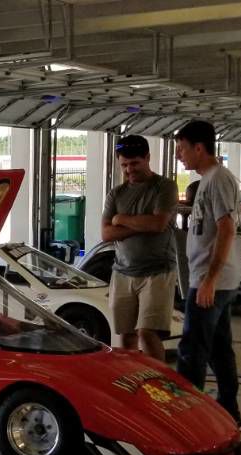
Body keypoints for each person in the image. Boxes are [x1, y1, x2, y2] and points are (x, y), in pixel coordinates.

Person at [173, 120, 241, 422]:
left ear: (199, 148)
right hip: (215, 280)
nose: (179, 155)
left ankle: (188, 417)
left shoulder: (218, 179)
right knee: (218, 349)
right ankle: (228, 410)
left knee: (192, 350)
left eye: (182, 149)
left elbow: (226, 229)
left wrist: (209, 280)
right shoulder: (210, 180)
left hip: (211, 281)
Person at [100, 134, 179, 359]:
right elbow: (106, 234)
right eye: (124, 165)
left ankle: (159, 382)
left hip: (157, 272)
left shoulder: (164, 187)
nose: (129, 170)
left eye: (134, 163)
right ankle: (135, 380)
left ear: (147, 158)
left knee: (147, 332)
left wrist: (121, 219)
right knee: (126, 335)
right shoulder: (116, 193)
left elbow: (158, 224)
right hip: (123, 272)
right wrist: (142, 224)